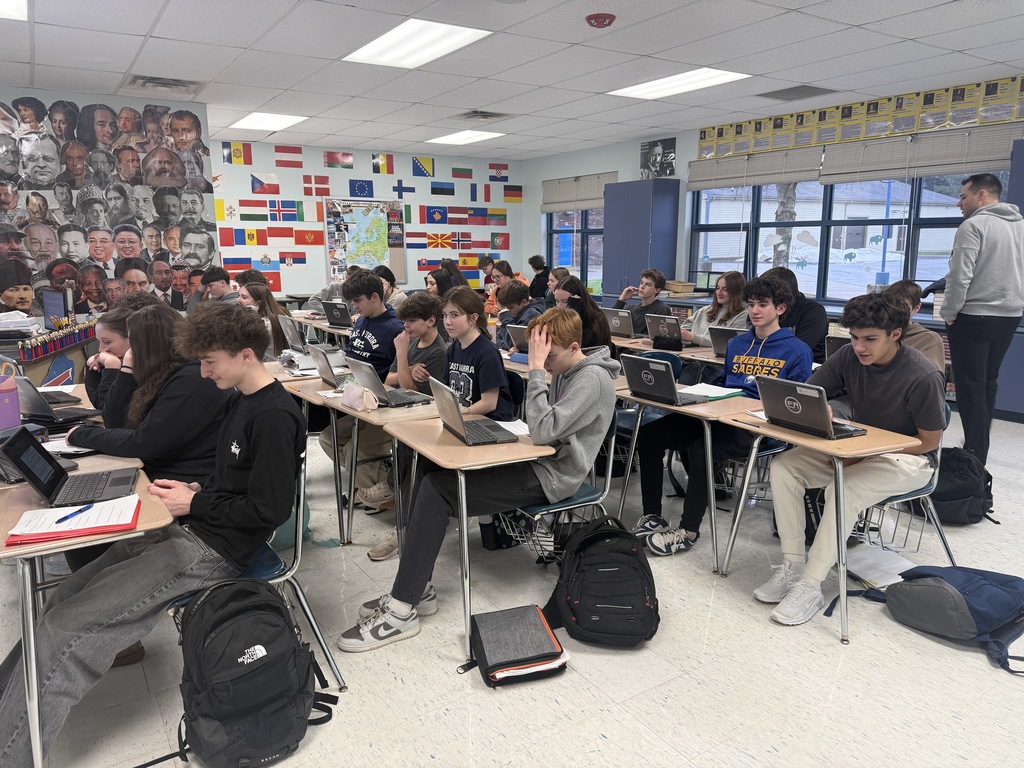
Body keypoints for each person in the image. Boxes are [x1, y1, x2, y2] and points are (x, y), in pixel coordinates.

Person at [0, 302, 305, 764]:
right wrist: (195, 490)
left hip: (218, 549)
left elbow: (269, 509)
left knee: (68, 629)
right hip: (192, 526)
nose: (204, 373)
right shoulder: (242, 399)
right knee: (63, 598)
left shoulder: (275, 416)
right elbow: (235, 478)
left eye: (210, 362)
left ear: (246, 355)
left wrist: (195, 503)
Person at [337, 307, 619, 651]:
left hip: (553, 476)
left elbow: (543, 430)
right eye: (541, 357)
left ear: (575, 347)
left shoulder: (592, 379)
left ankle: (401, 610)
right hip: (532, 458)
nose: (546, 364)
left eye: (550, 357)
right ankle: (417, 588)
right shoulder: (568, 368)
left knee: (438, 490)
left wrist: (534, 371)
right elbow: (543, 428)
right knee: (428, 469)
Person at [757, 292, 945, 626]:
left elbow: (929, 442)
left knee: (844, 489)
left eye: (870, 339)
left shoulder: (923, 375)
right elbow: (808, 392)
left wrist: (863, 454)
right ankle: (792, 566)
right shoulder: (848, 356)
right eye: (855, 337)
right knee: (784, 467)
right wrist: (821, 410)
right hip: (859, 447)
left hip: (910, 459)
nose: (860, 347)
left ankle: (811, 584)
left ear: (895, 334)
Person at [636, 276, 813, 554]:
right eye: (751, 304)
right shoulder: (738, 343)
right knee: (650, 435)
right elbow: (728, 383)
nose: (755, 311)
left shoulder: (797, 351)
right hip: (719, 415)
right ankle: (652, 515)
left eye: (762, 305)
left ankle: (688, 530)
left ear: (780, 309)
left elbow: (793, 405)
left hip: (757, 428)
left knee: (702, 449)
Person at [67, 301, 232, 486]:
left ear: (148, 346)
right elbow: (115, 422)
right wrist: (125, 370)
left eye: (133, 344)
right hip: (162, 471)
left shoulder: (192, 381)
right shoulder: (160, 373)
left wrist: (82, 435)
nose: (130, 352)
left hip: (182, 482)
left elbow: (143, 443)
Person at [941, 173, 1024, 465]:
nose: (959, 203)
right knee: (987, 383)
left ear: (982, 195)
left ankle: (974, 456)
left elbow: (959, 276)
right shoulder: (1020, 226)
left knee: (969, 387)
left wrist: (949, 314)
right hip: (1009, 316)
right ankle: (978, 450)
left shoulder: (973, 225)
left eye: (963, 196)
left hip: (973, 316)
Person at [359, 291, 450, 528]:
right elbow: (389, 380)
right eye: (404, 321)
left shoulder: (438, 352)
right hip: (407, 407)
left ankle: (397, 497)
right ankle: (393, 491)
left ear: (431, 320)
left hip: (425, 414)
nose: (406, 326)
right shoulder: (412, 342)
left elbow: (410, 388)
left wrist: (401, 355)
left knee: (405, 448)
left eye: (411, 321)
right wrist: (408, 369)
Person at [318, 271, 403, 500]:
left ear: (375, 297)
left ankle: (381, 493)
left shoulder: (396, 328)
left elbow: (400, 375)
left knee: (355, 449)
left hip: (382, 402)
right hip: (357, 395)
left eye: (358, 301)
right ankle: (369, 484)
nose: (353, 307)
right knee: (328, 438)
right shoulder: (362, 321)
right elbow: (352, 356)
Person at [763, 266, 827, 363]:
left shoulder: (813, 311)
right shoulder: (763, 309)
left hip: (807, 366)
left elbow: (797, 350)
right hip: (767, 363)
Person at [884, 280, 945, 372]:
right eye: (890, 305)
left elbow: (931, 378)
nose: (895, 310)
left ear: (916, 308)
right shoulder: (878, 333)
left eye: (903, 306)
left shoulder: (928, 340)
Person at [553, 275, 613, 355]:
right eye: (557, 301)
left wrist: (573, 310)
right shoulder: (560, 316)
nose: (560, 306)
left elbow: (571, 345)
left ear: (578, 299)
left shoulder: (595, 320)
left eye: (565, 301)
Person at [237, 281, 291, 357]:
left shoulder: (262, 324)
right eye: (239, 296)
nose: (238, 300)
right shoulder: (282, 313)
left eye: (244, 297)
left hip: (263, 362)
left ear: (258, 303)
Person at [495, 279, 544, 351]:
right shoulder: (517, 311)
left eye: (511, 308)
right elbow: (497, 338)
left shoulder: (531, 315)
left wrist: (505, 318)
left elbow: (514, 344)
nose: (508, 311)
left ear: (524, 302)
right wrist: (507, 345)